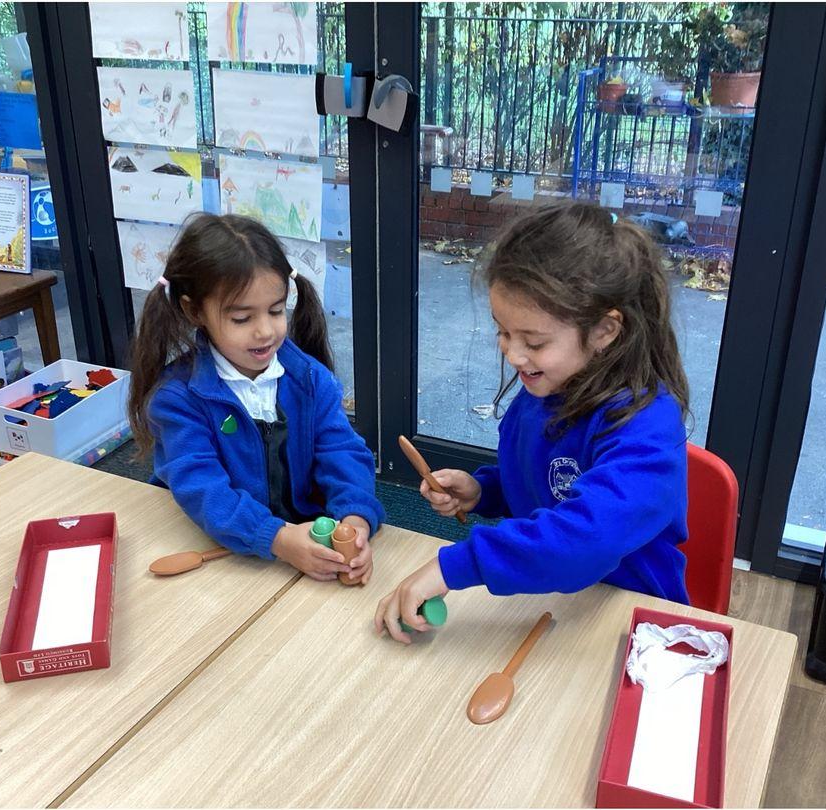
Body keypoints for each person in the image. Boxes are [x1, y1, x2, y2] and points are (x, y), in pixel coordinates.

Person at [376, 202, 690, 641]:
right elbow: (541, 483)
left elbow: (585, 538)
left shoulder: (648, 426)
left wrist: (457, 566)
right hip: (551, 597)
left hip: (631, 618)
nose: (512, 353)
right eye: (503, 331)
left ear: (604, 331)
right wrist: (484, 491)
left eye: (534, 342)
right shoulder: (543, 388)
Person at [129, 213, 384, 583]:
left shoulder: (310, 379)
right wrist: (276, 537)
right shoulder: (178, 399)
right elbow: (203, 489)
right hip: (227, 547)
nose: (265, 331)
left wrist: (355, 520)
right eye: (242, 319)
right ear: (194, 310)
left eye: (276, 311)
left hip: (303, 542)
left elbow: (342, 452)